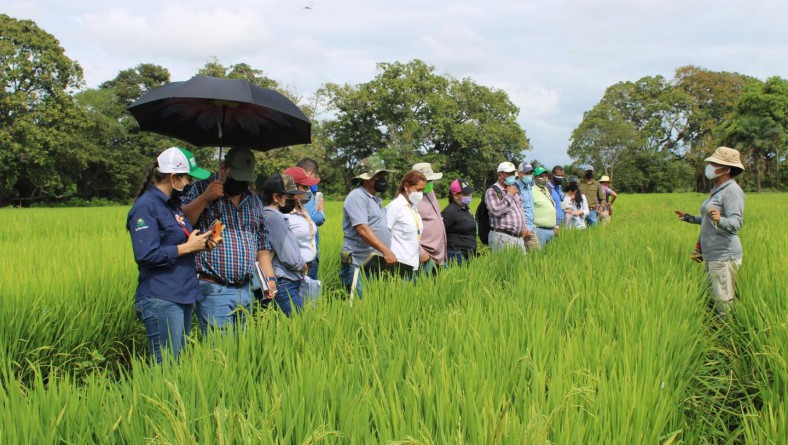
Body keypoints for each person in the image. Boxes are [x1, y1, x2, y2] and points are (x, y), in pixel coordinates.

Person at [127, 147, 213, 364]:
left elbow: (180, 241)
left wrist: (201, 243)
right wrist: (187, 248)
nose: (191, 184)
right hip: (162, 296)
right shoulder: (145, 207)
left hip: (183, 292)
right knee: (166, 367)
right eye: (189, 179)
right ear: (174, 177)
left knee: (178, 364)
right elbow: (146, 254)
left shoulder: (174, 206)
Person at [181, 147, 276, 334]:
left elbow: (262, 244)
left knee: (241, 350)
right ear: (224, 169)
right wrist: (206, 198)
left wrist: (270, 278)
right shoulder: (202, 189)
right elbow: (183, 223)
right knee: (220, 350)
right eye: (237, 177)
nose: (241, 184)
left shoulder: (254, 201)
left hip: (246, 289)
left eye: (245, 180)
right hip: (214, 288)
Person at [674, 147, 745, 318]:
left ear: (726, 169)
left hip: (723, 254)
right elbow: (709, 219)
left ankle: (727, 335)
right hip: (712, 253)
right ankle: (717, 326)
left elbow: (736, 223)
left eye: (714, 163)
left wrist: (720, 219)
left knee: (723, 299)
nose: (710, 166)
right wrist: (690, 218)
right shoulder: (718, 189)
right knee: (715, 295)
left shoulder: (732, 191)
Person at [340, 155, 397, 298]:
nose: (382, 179)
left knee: (372, 303)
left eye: (383, 175)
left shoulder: (374, 199)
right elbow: (362, 229)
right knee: (359, 306)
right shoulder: (357, 197)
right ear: (365, 179)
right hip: (358, 264)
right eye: (377, 176)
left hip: (373, 262)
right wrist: (386, 250)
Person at [261, 174, 308, 316]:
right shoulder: (274, 218)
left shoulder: (270, 215)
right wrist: (302, 265)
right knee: (300, 325)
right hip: (284, 281)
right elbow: (288, 255)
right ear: (276, 197)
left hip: (283, 281)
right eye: (289, 196)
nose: (293, 200)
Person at [386, 170, 428, 275]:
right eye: (418, 190)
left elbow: (414, 236)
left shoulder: (414, 208)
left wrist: (421, 252)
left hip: (414, 264)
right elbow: (384, 233)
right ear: (406, 186)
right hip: (399, 266)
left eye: (423, 190)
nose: (421, 194)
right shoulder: (395, 207)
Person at [283, 166, 320, 285]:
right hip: (294, 271)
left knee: (311, 303)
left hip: (310, 266)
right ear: (292, 188)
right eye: (304, 187)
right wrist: (301, 266)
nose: (307, 190)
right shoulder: (283, 213)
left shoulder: (301, 207)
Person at [412, 163, 448, 274]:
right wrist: (421, 252)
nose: (429, 184)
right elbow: (408, 231)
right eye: (426, 181)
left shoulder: (430, 192)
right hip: (425, 255)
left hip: (440, 251)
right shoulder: (412, 199)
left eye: (430, 181)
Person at [485, 161, 526, 253]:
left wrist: (524, 227)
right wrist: (510, 194)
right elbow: (496, 210)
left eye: (512, 173)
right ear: (500, 175)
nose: (512, 176)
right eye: (508, 174)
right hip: (502, 236)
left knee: (522, 266)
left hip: (518, 237)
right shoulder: (492, 190)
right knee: (504, 266)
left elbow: (520, 209)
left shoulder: (513, 189)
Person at [296, 158, 325, 281]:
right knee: (309, 295)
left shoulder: (288, 191)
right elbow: (314, 219)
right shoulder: (305, 192)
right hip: (307, 254)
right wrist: (321, 209)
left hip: (293, 254)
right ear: (310, 173)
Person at [441, 178, 477, 265]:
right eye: (465, 194)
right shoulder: (450, 212)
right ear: (455, 195)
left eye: (470, 193)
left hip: (469, 253)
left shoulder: (466, 208)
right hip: (457, 255)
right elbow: (441, 233)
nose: (469, 196)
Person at [531, 167, 559, 247]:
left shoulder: (547, 191)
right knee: (539, 256)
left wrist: (556, 226)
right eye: (541, 176)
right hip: (539, 230)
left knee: (550, 256)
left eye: (545, 176)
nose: (544, 178)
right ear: (535, 178)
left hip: (551, 230)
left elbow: (553, 208)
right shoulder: (531, 191)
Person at [515, 162, 539, 251]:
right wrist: (524, 227)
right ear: (519, 173)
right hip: (523, 229)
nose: (529, 175)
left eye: (530, 173)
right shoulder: (515, 187)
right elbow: (517, 210)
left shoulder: (529, 186)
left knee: (534, 257)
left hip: (531, 228)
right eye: (526, 173)